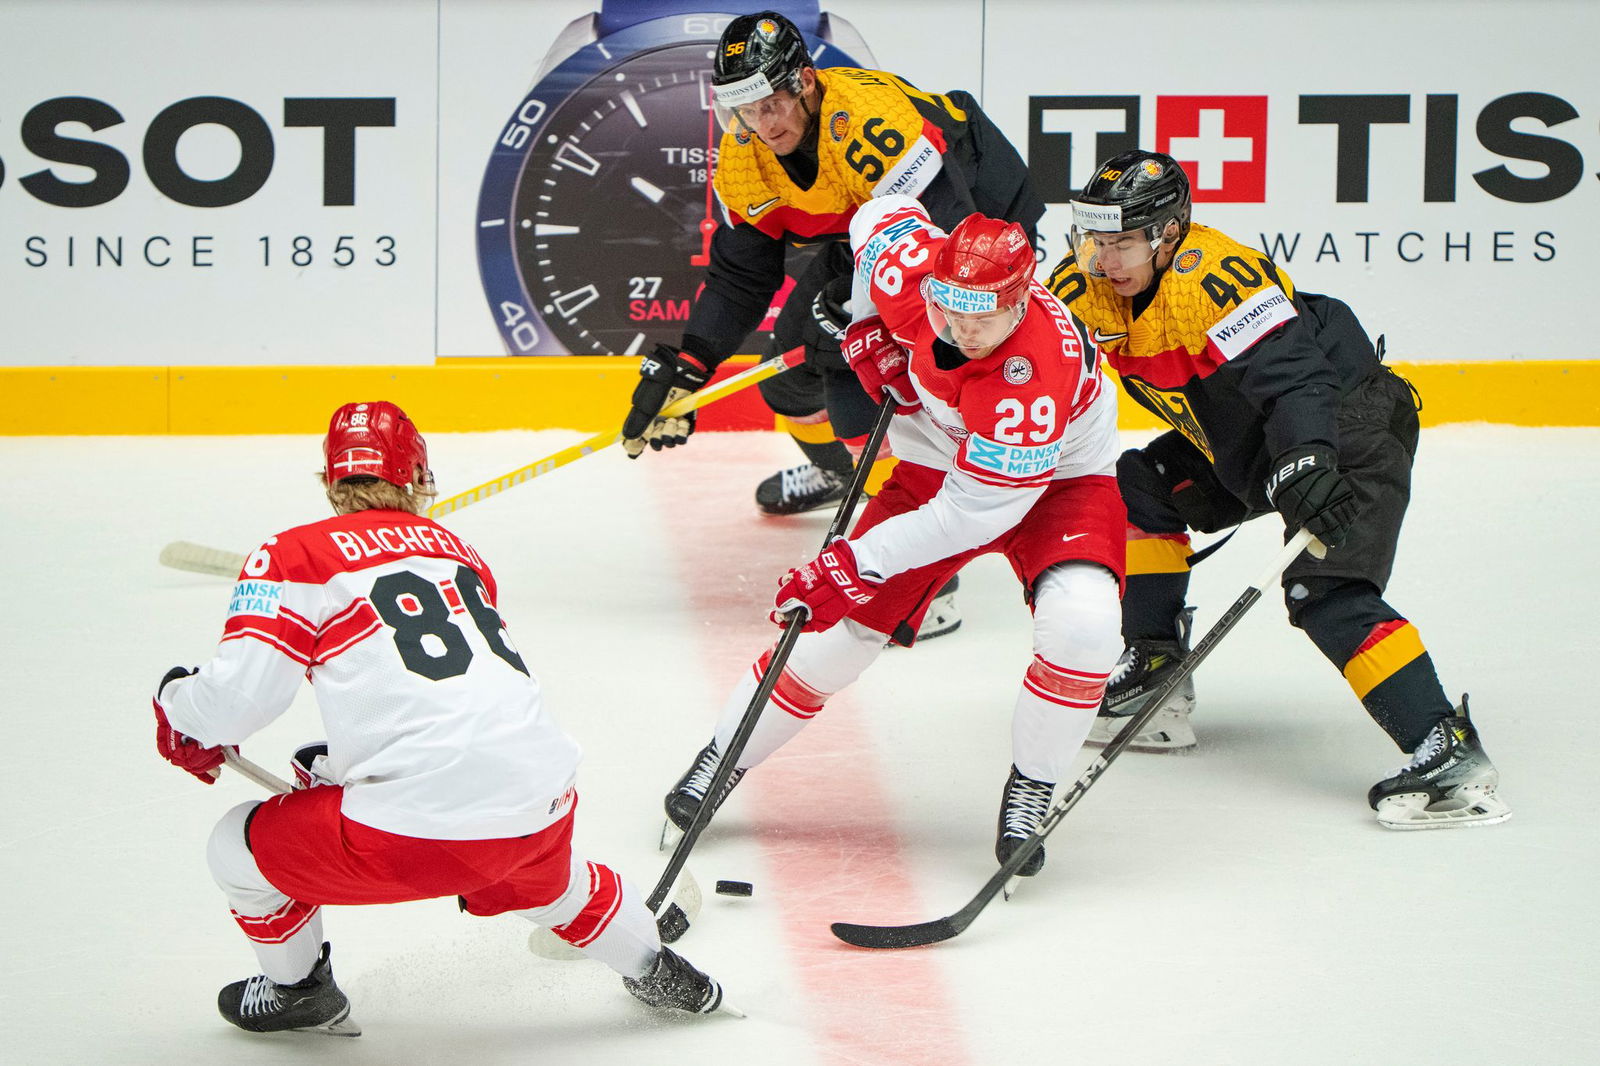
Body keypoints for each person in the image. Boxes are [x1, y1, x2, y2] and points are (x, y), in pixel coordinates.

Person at [151, 401, 734, 1037]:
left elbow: (235, 704)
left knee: (233, 847)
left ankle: (297, 989)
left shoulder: (293, 555)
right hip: (543, 805)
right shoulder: (460, 552)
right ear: (419, 478)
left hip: (417, 833)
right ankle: (668, 976)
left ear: (330, 482)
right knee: (547, 882)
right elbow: (441, 697)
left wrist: (178, 705)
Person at [659, 195, 1126, 876]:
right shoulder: (914, 270)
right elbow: (882, 211)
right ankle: (724, 754)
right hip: (944, 459)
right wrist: (867, 321)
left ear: (1023, 300)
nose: (963, 330)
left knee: (1084, 628)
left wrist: (857, 561)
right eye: (949, 309)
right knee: (832, 641)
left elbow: (974, 513)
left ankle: (1032, 786)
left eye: (984, 316)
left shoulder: (1031, 377)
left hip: (1059, 482)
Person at [1045, 149, 1510, 829]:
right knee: (1138, 486)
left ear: (1169, 234)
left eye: (1121, 243)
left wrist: (1305, 465)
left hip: (1346, 421)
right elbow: (1018, 345)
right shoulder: (1082, 286)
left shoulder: (1214, 279)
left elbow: (1297, 380)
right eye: (1095, 240)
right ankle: (1152, 660)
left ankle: (1448, 752)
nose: (1103, 260)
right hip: (1243, 440)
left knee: (1324, 592)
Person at [619, 11, 1043, 529]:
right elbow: (741, 278)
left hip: (973, 220)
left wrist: (861, 316)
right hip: (872, 232)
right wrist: (689, 360)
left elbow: (940, 251)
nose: (764, 125)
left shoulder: (868, 123)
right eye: (746, 110)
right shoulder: (743, 156)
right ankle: (844, 475)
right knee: (787, 382)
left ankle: (925, 541)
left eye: (772, 105)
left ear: (804, 81)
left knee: (878, 380)